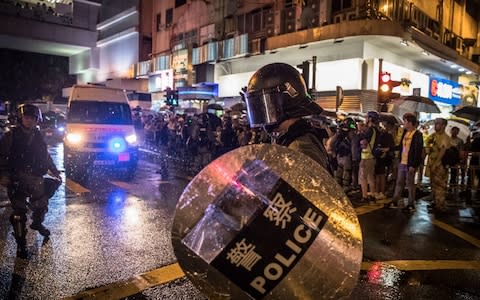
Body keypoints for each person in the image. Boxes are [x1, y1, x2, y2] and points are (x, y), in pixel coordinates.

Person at [243, 62, 331, 173]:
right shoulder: (288, 138)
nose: (261, 113)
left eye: (264, 104)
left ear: (285, 101)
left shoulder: (300, 149)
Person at [0, 104, 62, 258]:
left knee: (41, 204)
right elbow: (2, 157)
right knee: (19, 213)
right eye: (26, 117)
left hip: (35, 177)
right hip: (16, 177)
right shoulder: (11, 135)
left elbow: (45, 157)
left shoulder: (38, 135)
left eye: (32, 118)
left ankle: (37, 223)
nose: (29, 120)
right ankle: (21, 245)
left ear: (37, 120)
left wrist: (54, 171)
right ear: (21, 118)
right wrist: (3, 175)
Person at [385, 113, 423, 212]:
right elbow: (401, 147)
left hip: (410, 164)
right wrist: (389, 149)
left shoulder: (418, 134)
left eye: (405, 121)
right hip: (402, 161)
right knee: (399, 182)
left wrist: (413, 165)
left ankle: (411, 204)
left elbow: (417, 151)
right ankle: (395, 201)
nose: (404, 123)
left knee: (410, 184)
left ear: (410, 122)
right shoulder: (405, 132)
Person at [425, 118, 452, 213]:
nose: (436, 125)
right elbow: (428, 145)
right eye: (435, 123)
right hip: (432, 164)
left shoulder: (445, 137)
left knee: (439, 186)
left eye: (438, 124)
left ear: (444, 125)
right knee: (433, 185)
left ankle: (440, 206)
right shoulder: (434, 136)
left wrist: (435, 164)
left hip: (439, 166)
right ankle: (436, 203)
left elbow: (442, 151)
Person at [358, 111, 380, 203]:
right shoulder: (376, 130)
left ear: (370, 119)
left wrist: (360, 132)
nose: (365, 119)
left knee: (363, 177)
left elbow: (364, 143)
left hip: (366, 157)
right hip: (373, 157)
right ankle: (372, 195)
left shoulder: (370, 130)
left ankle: (365, 196)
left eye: (367, 117)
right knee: (371, 177)